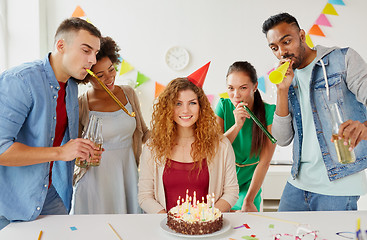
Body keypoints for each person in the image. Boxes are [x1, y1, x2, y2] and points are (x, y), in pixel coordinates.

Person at [0, 17, 102, 230]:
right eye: (86, 50)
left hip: (47, 191)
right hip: (8, 200)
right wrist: (61, 152)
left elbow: (60, 142)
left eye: (95, 53)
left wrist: (79, 153)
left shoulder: (71, 87)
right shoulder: (19, 81)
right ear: (61, 46)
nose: (93, 59)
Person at [262, 12, 367, 211]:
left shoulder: (342, 60)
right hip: (298, 183)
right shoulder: (287, 80)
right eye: (274, 48)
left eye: (287, 42)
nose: (282, 52)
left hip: (339, 184)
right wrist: (282, 91)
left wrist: (364, 127)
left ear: (302, 36)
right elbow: (282, 139)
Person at [138, 65, 239, 214]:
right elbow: (145, 196)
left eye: (192, 103)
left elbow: (231, 192)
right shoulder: (152, 147)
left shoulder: (221, 145)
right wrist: (170, 221)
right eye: (178, 104)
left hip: (207, 229)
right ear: (168, 108)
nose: (185, 110)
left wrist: (205, 219)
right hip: (167, 228)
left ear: (201, 107)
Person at [72, 36, 150, 214]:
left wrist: (171, 130)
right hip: (94, 179)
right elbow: (75, 150)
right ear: (87, 77)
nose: (109, 77)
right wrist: (83, 159)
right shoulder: (81, 104)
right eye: (100, 75)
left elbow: (144, 133)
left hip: (127, 173)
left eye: (111, 69)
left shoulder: (128, 93)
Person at [215, 61, 276, 212]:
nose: (236, 95)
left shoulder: (269, 112)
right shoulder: (223, 106)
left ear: (255, 86)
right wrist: (237, 126)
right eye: (231, 88)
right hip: (223, 179)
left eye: (243, 88)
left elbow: (265, 161)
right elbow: (215, 151)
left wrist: (249, 200)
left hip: (251, 182)